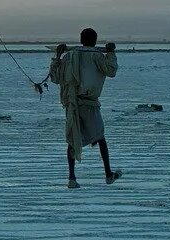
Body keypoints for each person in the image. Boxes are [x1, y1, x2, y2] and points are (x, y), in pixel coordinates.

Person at [49, 28, 121, 188]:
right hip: (88, 103)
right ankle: (108, 174)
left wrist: (58, 57)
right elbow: (111, 71)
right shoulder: (97, 56)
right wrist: (111, 53)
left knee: (73, 138)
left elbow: (55, 77)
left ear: (81, 40)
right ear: (95, 41)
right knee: (100, 137)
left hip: (73, 103)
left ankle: (72, 177)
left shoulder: (70, 56)